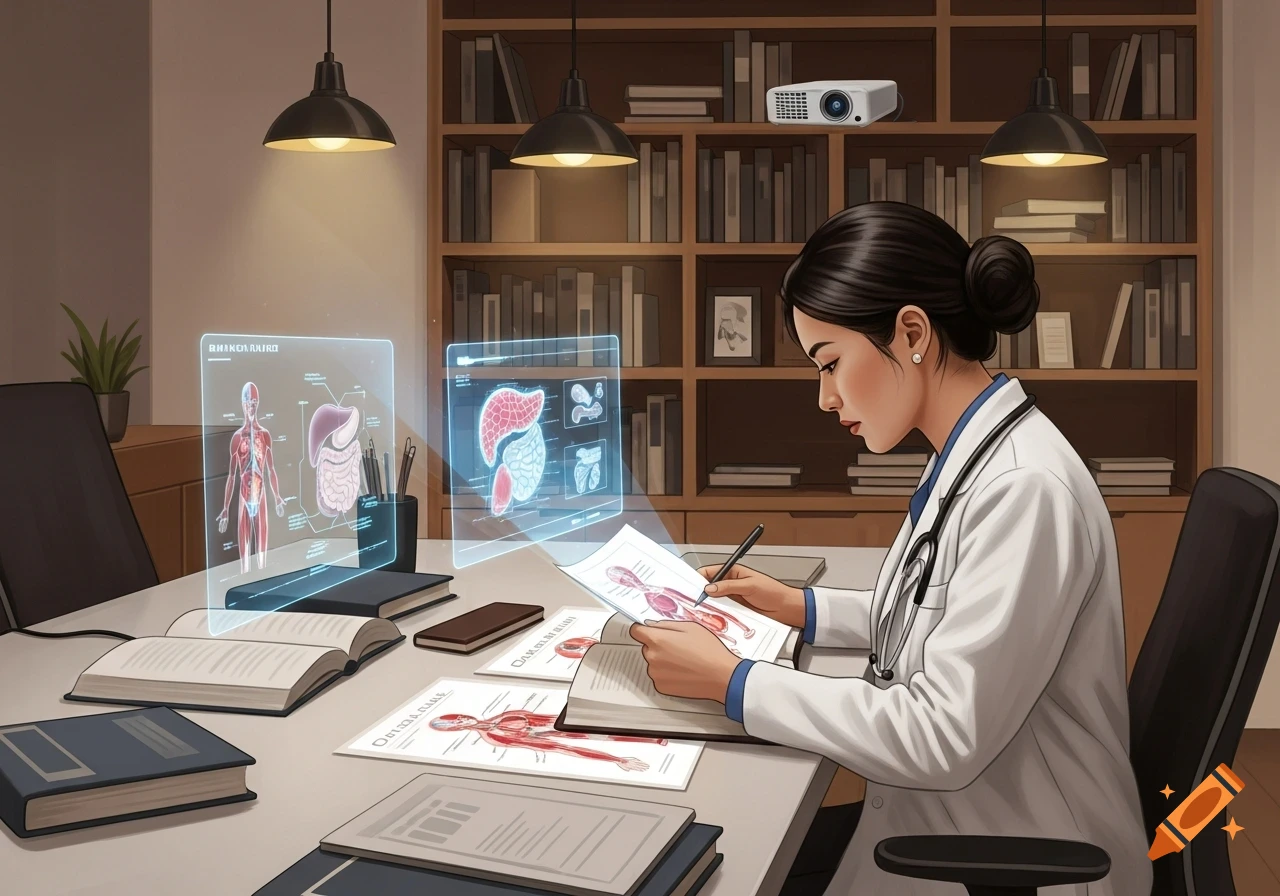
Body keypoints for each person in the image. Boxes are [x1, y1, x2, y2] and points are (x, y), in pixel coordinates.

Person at [629, 202, 1152, 896]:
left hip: (1009, 856)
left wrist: (734, 682)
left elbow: (940, 736)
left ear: (911, 332)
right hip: (944, 823)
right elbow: (934, 614)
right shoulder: (971, 454)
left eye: (831, 363)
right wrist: (801, 608)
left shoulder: (1026, 490)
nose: (824, 398)